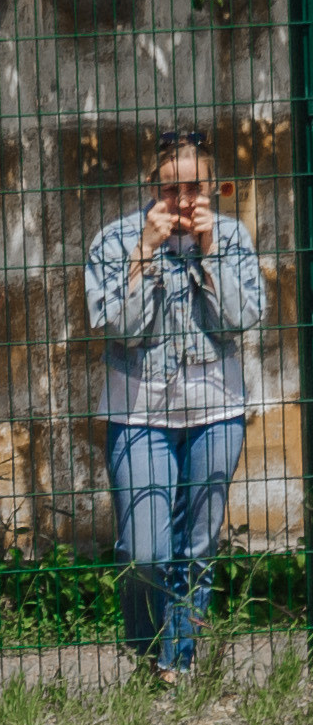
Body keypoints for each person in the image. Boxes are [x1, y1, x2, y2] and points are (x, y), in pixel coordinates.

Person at [84, 129, 266, 679]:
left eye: (195, 188)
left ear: (213, 187)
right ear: (152, 188)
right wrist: (144, 253)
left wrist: (211, 254)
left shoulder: (231, 237)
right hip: (139, 412)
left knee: (198, 544)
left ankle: (177, 662)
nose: (184, 200)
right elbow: (122, 328)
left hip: (217, 410)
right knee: (145, 551)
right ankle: (146, 652)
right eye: (170, 189)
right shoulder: (115, 241)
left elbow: (242, 318)